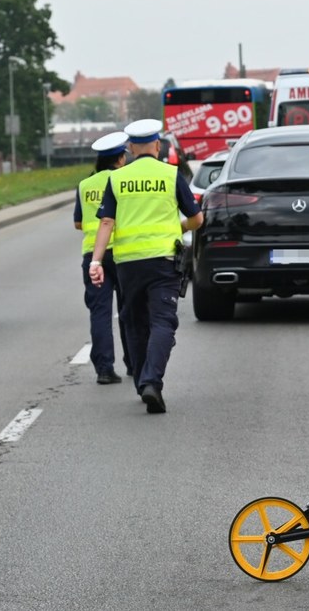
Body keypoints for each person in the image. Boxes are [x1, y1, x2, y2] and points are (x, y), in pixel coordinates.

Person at [89, 119, 203, 414]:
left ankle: (143, 381)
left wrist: (96, 260)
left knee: (134, 322)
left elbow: (106, 222)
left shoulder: (117, 179)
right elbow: (197, 219)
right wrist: (178, 226)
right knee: (163, 322)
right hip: (164, 261)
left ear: (130, 148)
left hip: (128, 264)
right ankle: (152, 381)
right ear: (157, 145)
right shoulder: (170, 174)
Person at [75, 131, 130, 385]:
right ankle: (133, 362)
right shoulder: (122, 179)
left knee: (100, 312)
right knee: (128, 309)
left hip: (92, 255)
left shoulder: (85, 185)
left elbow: (78, 222)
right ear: (120, 159)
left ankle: (105, 370)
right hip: (122, 252)